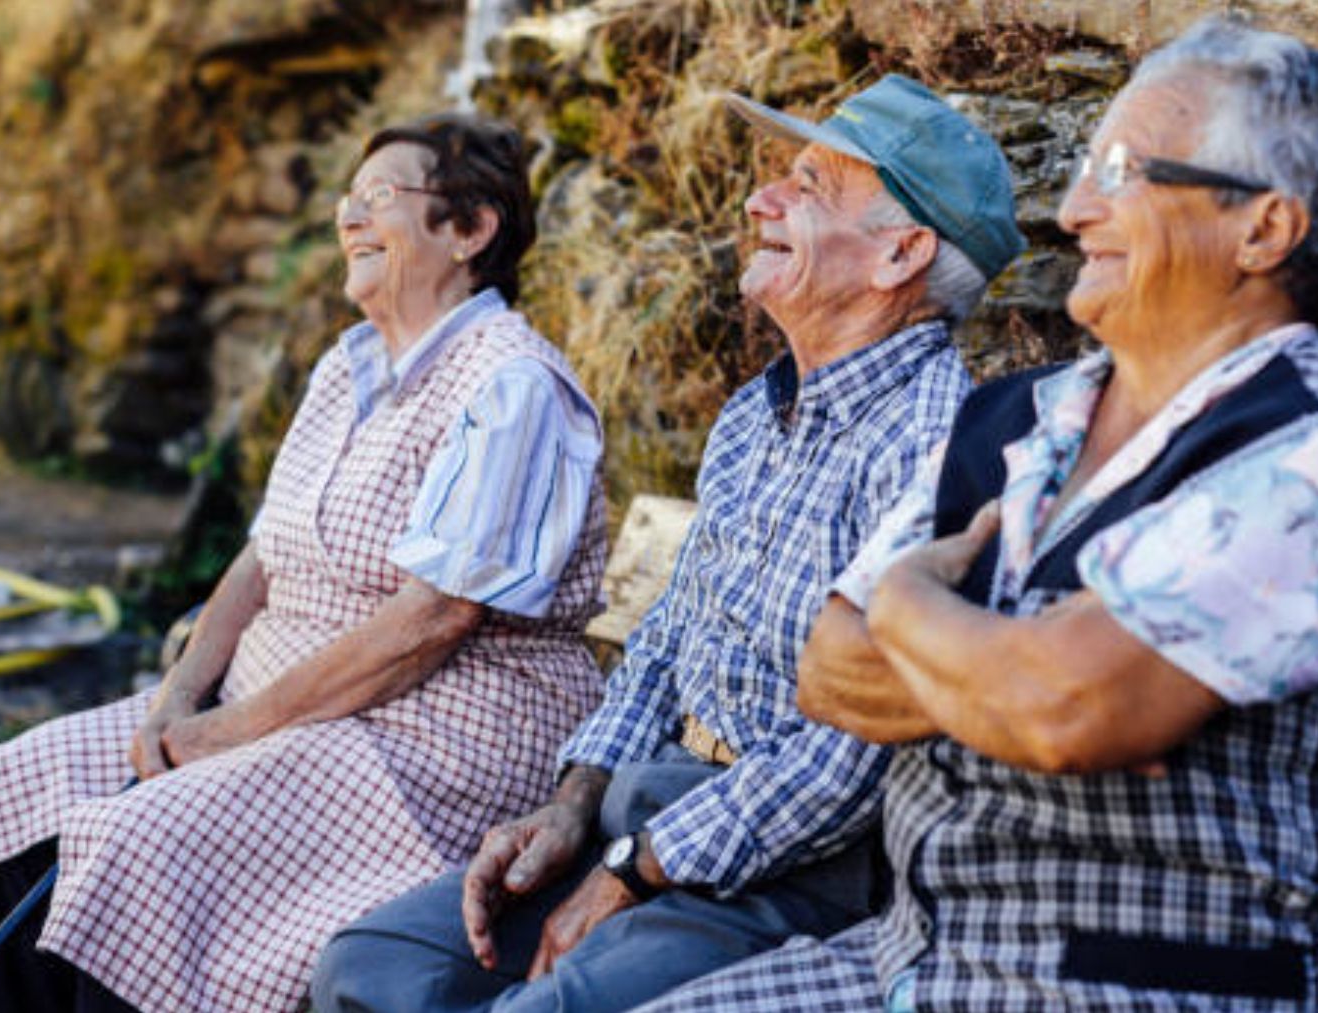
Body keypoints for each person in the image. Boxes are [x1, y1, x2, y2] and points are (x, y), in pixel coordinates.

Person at [638, 16, 1318, 1012]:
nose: (1077, 209)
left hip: (1161, 986)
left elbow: (1068, 706)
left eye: (1123, 170)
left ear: (1263, 228)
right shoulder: (1018, 417)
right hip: (910, 960)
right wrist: (1018, 669)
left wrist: (908, 601)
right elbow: (829, 669)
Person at [311, 74, 1026, 1013]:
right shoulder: (753, 415)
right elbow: (665, 638)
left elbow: (845, 762)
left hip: (789, 871)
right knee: (371, 964)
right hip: (647, 813)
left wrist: (634, 871)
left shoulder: (940, 447)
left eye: (808, 188)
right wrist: (575, 804)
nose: (758, 200)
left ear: (903, 252)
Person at [0, 113, 609, 1013]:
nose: (349, 220)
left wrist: (226, 735)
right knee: (33, 795)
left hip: (433, 740)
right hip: (286, 703)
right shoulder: (348, 366)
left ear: (470, 231)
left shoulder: (510, 386)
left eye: (381, 199)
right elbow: (263, 555)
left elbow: (431, 621)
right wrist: (180, 692)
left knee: (137, 850)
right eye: (345, 201)